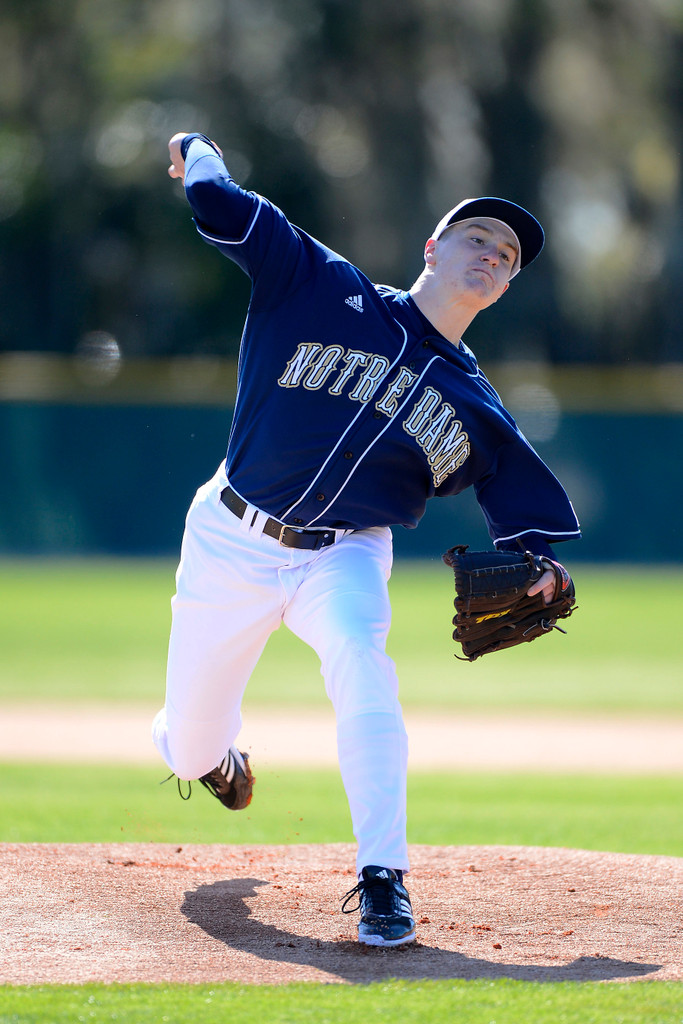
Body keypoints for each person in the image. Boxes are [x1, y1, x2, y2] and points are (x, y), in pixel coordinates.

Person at [152, 131, 580, 948]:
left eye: (508, 256)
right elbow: (222, 206)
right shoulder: (321, 286)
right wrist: (198, 150)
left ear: (506, 286)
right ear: (433, 246)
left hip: (342, 553)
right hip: (230, 537)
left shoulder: (475, 404)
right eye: (477, 238)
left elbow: (524, 517)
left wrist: (544, 575)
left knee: (361, 659)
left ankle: (382, 877)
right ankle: (206, 755)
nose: (492, 255)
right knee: (188, 746)